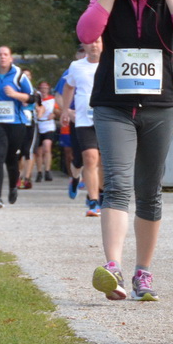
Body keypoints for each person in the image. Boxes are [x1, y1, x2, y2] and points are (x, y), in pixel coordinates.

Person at [77, 0, 173, 302]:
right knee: (117, 183)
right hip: (113, 105)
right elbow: (87, 33)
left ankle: (143, 273)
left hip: (159, 106)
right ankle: (112, 267)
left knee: (150, 191)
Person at [0, 46, 35, 209]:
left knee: (12, 159)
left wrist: (15, 95)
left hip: (16, 123)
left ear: (11, 58)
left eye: (5, 55)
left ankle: (12, 187)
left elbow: (33, 97)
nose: (2, 57)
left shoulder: (19, 76)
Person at [60, 38, 103, 215]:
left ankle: (98, 195)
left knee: (101, 161)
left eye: (98, 41)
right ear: (84, 46)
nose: (94, 45)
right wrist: (65, 110)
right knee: (89, 157)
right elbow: (68, 87)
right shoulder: (76, 66)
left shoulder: (113, 63)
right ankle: (93, 201)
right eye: (90, 42)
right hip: (84, 120)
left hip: (107, 119)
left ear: (103, 44)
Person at [32, 81, 57, 183]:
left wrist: (54, 115)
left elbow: (58, 111)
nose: (43, 90)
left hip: (48, 125)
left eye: (45, 88)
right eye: (41, 88)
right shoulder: (35, 99)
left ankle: (47, 170)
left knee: (47, 147)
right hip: (38, 125)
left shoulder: (52, 99)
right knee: (38, 151)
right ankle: (39, 172)